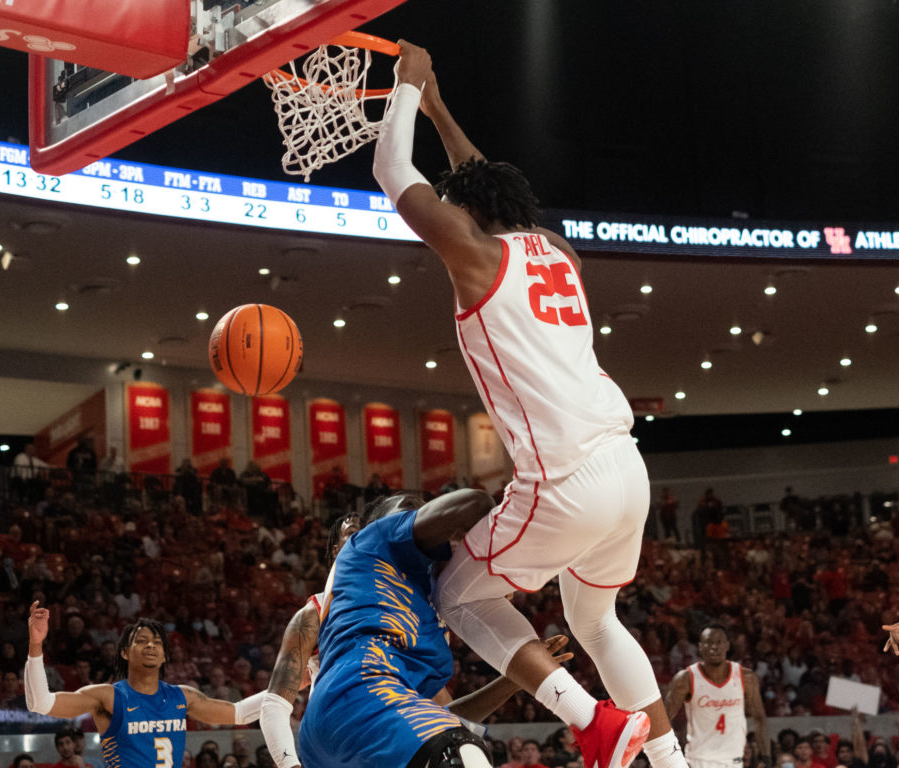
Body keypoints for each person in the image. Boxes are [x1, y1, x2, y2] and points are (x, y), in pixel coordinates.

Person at [373, 42, 674, 768]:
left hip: (566, 480)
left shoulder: (474, 256)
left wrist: (407, 92)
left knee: (459, 598)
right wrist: (443, 108)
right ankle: (673, 763)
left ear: (469, 214)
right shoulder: (554, 249)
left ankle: (594, 725)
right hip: (627, 469)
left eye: (455, 201)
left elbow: (391, 171)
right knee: (595, 621)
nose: (446, 203)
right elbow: (485, 182)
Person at [297, 490, 572, 768]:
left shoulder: (427, 607)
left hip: (331, 734)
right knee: (456, 749)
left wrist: (512, 680)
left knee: (451, 740)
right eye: (410, 508)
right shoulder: (374, 538)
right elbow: (475, 503)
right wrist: (495, 565)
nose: (421, 512)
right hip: (359, 693)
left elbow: (442, 714)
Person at [24, 603, 264, 768]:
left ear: (164, 656)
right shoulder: (107, 697)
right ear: (125, 652)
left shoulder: (183, 696)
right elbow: (40, 703)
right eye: (142, 641)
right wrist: (36, 646)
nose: (151, 646)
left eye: (157, 642)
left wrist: (292, 683)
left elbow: (240, 713)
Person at [259, 513, 361, 767]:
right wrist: (290, 764)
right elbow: (273, 704)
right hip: (337, 739)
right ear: (336, 551)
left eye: (370, 530)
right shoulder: (315, 613)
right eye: (353, 532)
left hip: (392, 731)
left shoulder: (401, 607)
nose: (363, 537)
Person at [664, 624, 769, 768]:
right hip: (697, 760)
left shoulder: (746, 677)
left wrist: (766, 756)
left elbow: (759, 718)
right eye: (709, 642)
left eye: (719, 642)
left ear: (727, 645)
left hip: (734, 760)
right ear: (700, 647)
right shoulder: (686, 679)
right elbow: (664, 718)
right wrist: (664, 754)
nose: (714, 647)